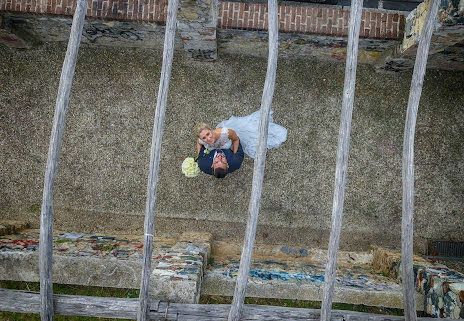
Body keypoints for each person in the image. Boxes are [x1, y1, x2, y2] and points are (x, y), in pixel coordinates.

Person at [196, 110, 287, 159]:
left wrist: (235, 154)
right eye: (204, 138)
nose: (208, 138)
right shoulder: (201, 140)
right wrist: (199, 155)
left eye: (208, 134)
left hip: (233, 138)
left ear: (211, 130)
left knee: (254, 136)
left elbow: (236, 139)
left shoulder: (225, 132)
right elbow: (199, 143)